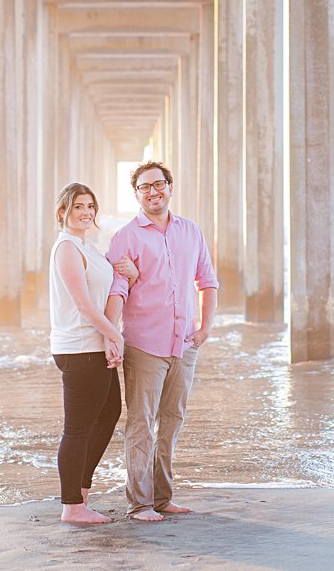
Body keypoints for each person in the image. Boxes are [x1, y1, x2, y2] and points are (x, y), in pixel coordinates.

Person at [103, 161, 218, 521]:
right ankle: (140, 503)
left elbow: (207, 281)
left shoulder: (191, 231)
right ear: (136, 194)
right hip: (144, 346)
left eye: (158, 184)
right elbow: (117, 288)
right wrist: (111, 335)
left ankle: (163, 496)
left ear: (170, 186)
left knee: (172, 420)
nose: (153, 192)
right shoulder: (126, 236)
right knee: (141, 423)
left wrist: (204, 330)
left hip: (184, 345)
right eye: (144, 187)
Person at [48, 182, 137, 524]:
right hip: (78, 348)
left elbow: (106, 290)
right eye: (77, 207)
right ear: (63, 213)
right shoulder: (67, 248)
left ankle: (81, 495)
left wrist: (130, 274)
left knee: (109, 413)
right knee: (78, 428)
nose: (86, 213)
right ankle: (72, 506)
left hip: (94, 344)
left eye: (89, 206)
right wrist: (114, 335)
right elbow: (84, 305)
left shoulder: (86, 246)